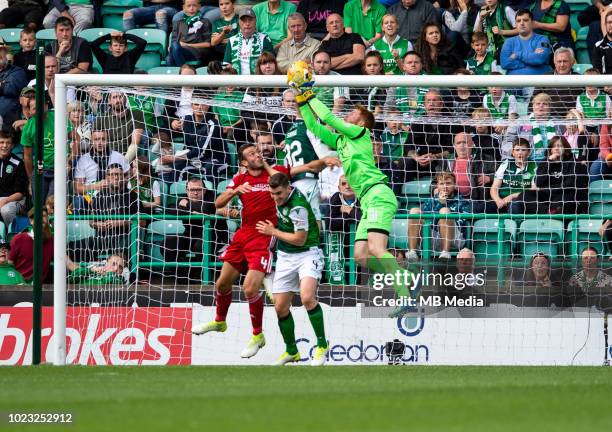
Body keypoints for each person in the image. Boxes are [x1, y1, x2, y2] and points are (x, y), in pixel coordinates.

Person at [289, 62, 414, 306]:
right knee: (360, 255)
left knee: (378, 249)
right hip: (367, 201)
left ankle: (404, 295)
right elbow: (314, 125)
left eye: (352, 114)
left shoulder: (361, 134)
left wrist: (308, 91)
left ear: (360, 124)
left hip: (377, 194)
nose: (347, 114)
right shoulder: (342, 141)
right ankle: (405, 276)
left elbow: (326, 116)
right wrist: (302, 100)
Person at [190, 144, 290, 358]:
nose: (257, 155)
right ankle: (219, 321)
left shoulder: (273, 174)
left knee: (249, 288)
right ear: (244, 162)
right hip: (243, 235)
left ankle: (257, 335)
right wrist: (235, 191)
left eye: (258, 152)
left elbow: (285, 182)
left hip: (264, 234)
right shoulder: (239, 179)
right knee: (222, 283)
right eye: (252, 154)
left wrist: (267, 166)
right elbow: (217, 204)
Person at [256, 172, 329, 366]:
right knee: (280, 307)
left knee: (306, 298)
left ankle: (322, 345)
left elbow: (300, 239)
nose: (275, 198)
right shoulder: (280, 193)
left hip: (308, 252)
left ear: (288, 188)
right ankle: (291, 351)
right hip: (286, 257)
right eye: (273, 194)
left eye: (279, 193)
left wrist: (273, 232)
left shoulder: (297, 206)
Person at [163, 176, 229, 269]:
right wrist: (193, 210)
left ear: (205, 190)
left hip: (215, 237)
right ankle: (182, 275)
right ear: (186, 190)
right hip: (190, 235)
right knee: (167, 244)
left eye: (198, 190)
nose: (195, 193)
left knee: (200, 245)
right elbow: (170, 209)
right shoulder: (182, 198)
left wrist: (187, 205)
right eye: (192, 190)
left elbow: (207, 207)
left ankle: (204, 276)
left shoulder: (213, 196)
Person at [407, 172, 471, 261]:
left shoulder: (463, 202)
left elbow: (462, 223)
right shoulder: (431, 201)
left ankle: (445, 253)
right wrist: (440, 203)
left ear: (454, 185)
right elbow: (426, 221)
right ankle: (412, 252)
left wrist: (444, 206)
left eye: (448, 183)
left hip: (454, 238)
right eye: (441, 184)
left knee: (444, 211)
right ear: (437, 186)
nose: (445, 186)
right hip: (433, 237)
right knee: (414, 211)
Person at [437, 132, 496, 213]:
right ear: (454, 145)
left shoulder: (485, 159)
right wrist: (438, 190)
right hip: (452, 200)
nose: (462, 145)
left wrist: (489, 178)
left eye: (465, 142)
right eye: (458, 143)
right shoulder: (446, 161)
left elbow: (501, 174)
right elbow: (434, 183)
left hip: (477, 200)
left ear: (472, 144)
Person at [532, 135, 589, 214]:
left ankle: (550, 213)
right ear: (550, 149)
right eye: (554, 146)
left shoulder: (574, 162)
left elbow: (570, 185)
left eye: (560, 146)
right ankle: (546, 213)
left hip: (567, 198)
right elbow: (538, 182)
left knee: (563, 200)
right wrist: (549, 161)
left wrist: (547, 189)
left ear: (565, 149)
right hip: (548, 197)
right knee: (525, 197)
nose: (556, 148)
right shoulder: (545, 162)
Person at [490, 138, 537, 214]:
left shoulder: (534, 166)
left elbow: (533, 190)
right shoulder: (506, 164)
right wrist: (498, 200)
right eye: (517, 150)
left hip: (520, 201)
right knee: (479, 207)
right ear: (513, 152)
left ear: (529, 152)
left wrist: (511, 196)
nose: (520, 153)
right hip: (501, 200)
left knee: (515, 205)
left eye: (523, 150)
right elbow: (494, 187)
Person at [500, 9, 552, 75]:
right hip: (514, 84)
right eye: (518, 21)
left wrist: (517, 54)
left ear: (532, 23)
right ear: (516, 24)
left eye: (525, 20)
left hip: (538, 83)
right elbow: (504, 63)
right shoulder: (509, 42)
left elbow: (539, 59)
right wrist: (532, 56)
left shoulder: (543, 39)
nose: (522, 23)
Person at [222, 8, 274, 75]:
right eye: (244, 20)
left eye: (250, 20)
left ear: (255, 21)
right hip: (237, 82)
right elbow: (227, 64)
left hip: (259, 82)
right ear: (239, 22)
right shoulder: (232, 40)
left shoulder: (264, 39)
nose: (247, 23)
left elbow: (271, 64)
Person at [21, 96, 54, 198]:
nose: (38, 110)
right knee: (39, 206)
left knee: (53, 204)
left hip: (59, 168)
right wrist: (31, 179)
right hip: (40, 167)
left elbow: (76, 138)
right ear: (29, 111)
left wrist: (69, 160)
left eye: (40, 106)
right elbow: (27, 156)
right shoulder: (28, 127)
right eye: (35, 108)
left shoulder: (59, 117)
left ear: (46, 105)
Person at [9, 208, 53, 282]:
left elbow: (67, 261)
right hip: (18, 285)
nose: (41, 219)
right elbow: (9, 265)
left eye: (44, 216)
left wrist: (78, 269)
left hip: (40, 288)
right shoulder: (18, 239)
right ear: (31, 221)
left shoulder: (52, 241)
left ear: (47, 219)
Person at [166, 0, 213, 67]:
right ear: (184, 7)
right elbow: (174, 41)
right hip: (178, 50)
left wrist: (187, 45)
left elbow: (208, 44)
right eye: (188, 6)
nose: (191, 8)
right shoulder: (178, 23)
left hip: (195, 52)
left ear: (199, 7)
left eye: (194, 5)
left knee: (170, 57)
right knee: (169, 57)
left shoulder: (205, 22)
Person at [0, 131, 27, 227]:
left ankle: (13, 235)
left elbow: (20, 194)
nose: (4, 146)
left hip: (14, 200)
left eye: (8, 143)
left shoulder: (18, 163)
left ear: (12, 146)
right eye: (2, 142)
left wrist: (4, 201)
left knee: (6, 210)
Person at [0, 44, 28, 128]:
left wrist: (2, 86)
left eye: (2, 51)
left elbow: (11, 89)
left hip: (8, 121)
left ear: (6, 54)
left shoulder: (17, 71)